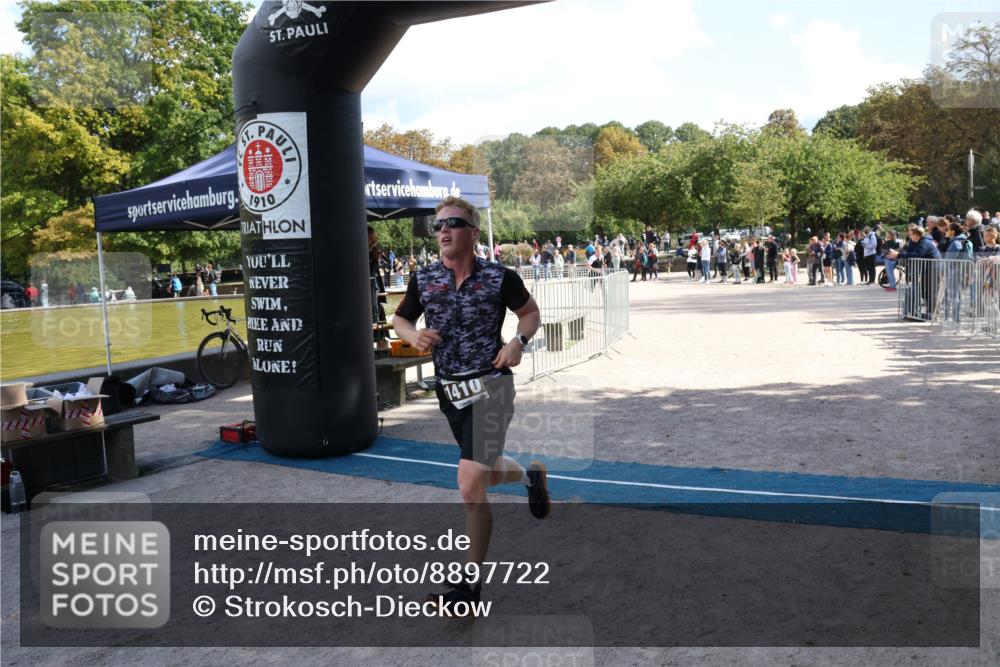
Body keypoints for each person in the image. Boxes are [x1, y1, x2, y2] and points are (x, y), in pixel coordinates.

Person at [392, 196, 548, 611]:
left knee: (467, 485)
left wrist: (518, 342)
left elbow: (530, 314)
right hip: (450, 393)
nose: (443, 231)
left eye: (454, 223)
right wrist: (411, 336)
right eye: (437, 225)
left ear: (473, 233)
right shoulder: (423, 279)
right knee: (481, 475)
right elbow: (400, 318)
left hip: (493, 388)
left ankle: (469, 585)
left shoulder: (500, 277)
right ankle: (532, 478)